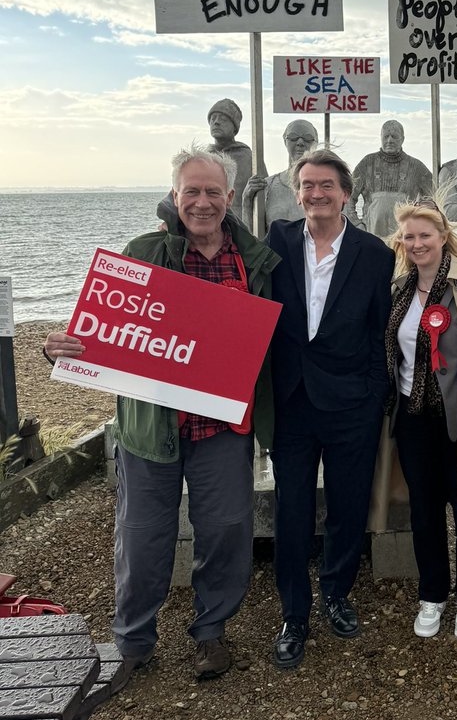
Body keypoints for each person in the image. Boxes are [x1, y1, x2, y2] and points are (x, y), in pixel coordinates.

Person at [43, 144, 280, 680]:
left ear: (231, 197)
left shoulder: (255, 260)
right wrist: (57, 347)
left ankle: (212, 632)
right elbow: (106, 328)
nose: (202, 202)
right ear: (174, 196)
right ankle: (132, 642)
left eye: (213, 192)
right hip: (152, 429)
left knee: (225, 531)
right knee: (142, 535)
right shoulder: (143, 250)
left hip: (223, 428)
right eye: (191, 191)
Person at [266, 149, 395, 669]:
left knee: (346, 508)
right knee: (292, 512)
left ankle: (337, 593)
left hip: (351, 404)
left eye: (326, 185)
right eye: (307, 185)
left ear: (346, 192)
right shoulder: (275, 242)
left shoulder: (375, 254)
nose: (316, 193)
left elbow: (381, 333)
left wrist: (372, 392)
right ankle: (294, 614)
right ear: (298, 193)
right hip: (292, 401)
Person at [369, 197, 457, 641]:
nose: (416, 244)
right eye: (408, 237)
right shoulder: (398, 289)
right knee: (425, 511)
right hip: (413, 421)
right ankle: (432, 593)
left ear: (443, 237)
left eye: (424, 235)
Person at [350, 120, 434, 238]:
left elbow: (434, 199)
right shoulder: (367, 163)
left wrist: (421, 226)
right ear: (381, 138)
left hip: (406, 238)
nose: (389, 140)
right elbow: (347, 197)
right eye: (386, 136)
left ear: (402, 139)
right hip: (371, 236)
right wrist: (357, 225)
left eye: (394, 136)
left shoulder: (417, 167)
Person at [243, 119, 319, 227]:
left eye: (307, 138)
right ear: (285, 141)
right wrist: (246, 200)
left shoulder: (326, 187)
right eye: (293, 137)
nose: (300, 143)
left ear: (316, 142)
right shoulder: (268, 185)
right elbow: (252, 238)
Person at [207, 98, 264, 223]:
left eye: (223, 119)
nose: (216, 122)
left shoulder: (249, 157)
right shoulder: (202, 159)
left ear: (234, 127)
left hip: (240, 226)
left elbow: (265, 194)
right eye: (213, 118)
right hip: (207, 223)